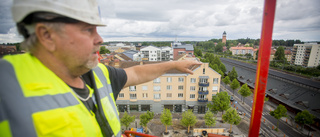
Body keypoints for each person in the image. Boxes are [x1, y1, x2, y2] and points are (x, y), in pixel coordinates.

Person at [0, 0, 202, 137]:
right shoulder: (7, 85)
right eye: (88, 30)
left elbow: (135, 72)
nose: (100, 39)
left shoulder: (97, 73)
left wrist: (174, 64)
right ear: (47, 36)